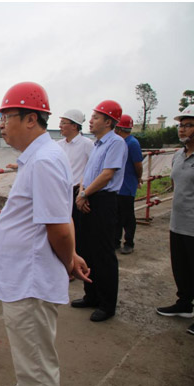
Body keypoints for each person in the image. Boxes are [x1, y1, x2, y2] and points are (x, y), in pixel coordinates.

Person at [0, 82, 91, 386]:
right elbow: (60, 212)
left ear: (31, 119)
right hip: (23, 274)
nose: (2, 125)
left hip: (29, 279)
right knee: (29, 352)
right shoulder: (40, 157)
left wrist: (68, 258)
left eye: (7, 117)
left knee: (36, 358)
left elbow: (58, 228)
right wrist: (72, 254)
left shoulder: (44, 160)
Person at [72, 100, 128, 322]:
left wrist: (85, 194)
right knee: (87, 250)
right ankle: (91, 295)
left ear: (108, 121)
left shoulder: (116, 143)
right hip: (88, 197)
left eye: (96, 117)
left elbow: (107, 175)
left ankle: (107, 304)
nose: (91, 121)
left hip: (103, 200)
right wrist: (82, 192)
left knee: (103, 253)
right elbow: (87, 173)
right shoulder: (96, 145)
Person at [156, 104, 194, 336]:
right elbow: (177, 185)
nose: (182, 129)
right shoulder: (178, 156)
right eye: (180, 125)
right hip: (178, 222)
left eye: (189, 125)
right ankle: (184, 305)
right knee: (181, 268)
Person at [58, 109, 94, 254]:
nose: (60, 126)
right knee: (63, 227)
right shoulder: (59, 145)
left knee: (78, 228)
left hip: (78, 191)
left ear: (74, 126)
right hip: (62, 191)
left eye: (63, 123)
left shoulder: (87, 144)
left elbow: (92, 169)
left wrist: (84, 193)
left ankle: (77, 258)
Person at [115, 114, 143, 254]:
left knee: (127, 216)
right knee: (116, 216)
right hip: (117, 186)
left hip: (127, 186)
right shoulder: (120, 142)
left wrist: (138, 178)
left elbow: (138, 165)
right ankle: (115, 241)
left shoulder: (132, 144)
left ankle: (129, 242)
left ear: (120, 129)